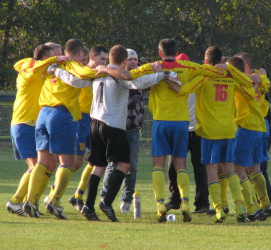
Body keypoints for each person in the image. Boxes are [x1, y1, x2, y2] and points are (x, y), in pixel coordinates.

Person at [48, 45, 179, 221]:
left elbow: (75, 81)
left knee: (98, 166)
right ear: (124, 61)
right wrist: (162, 75)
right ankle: (107, 202)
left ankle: (88, 205)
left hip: (95, 124)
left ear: (109, 59)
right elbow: (136, 82)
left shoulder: (97, 73)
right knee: (124, 165)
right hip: (113, 125)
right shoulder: (118, 75)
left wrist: (55, 70)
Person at [129, 38, 228, 223]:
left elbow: (129, 75)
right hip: (182, 123)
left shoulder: (154, 66)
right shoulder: (188, 67)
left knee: (158, 164)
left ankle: (160, 205)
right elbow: (214, 71)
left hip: (161, 121)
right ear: (176, 52)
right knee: (180, 165)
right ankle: (185, 203)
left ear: (160, 52)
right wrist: (224, 67)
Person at [166, 47, 254, 223]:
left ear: (206, 62)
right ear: (221, 60)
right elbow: (247, 83)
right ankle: (238, 206)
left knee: (211, 171)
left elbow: (182, 90)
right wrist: (229, 69)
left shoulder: (205, 78)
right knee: (230, 169)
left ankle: (219, 209)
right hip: (229, 130)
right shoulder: (231, 77)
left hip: (209, 132)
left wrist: (166, 78)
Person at [22, 38, 96, 219]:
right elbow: (86, 75)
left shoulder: (51, 65)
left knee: (42, 162)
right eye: (84, 58)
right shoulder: (72, 64)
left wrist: (54, 67)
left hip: (43, 115)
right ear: (79, 53)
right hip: (61, 114)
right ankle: (54, 202)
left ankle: (30, 201)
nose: (84, 62)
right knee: (67, 162)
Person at [6, 44, 65, 217]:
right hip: (24, 123)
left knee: (50, 163)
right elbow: (23, 65)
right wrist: (54, 61)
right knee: (35, 166)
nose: (61, 59)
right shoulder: (29, 69)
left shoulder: (43, 71)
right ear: (47, 57)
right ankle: (16, 201)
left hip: (35, 124)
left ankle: (32, 199)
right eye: (57, 56)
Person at [229, 54, 271, 221]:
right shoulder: (262, 79)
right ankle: (266, 205)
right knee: (255, 169)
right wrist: (260, 77)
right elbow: (266, 84)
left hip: (246, 127)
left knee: (238, 171)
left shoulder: (239, 82)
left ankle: (251, 209)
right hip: (259, 127)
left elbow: (246, 89)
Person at [100, 48, 146, 214]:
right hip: (117, 126)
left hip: (133, 128)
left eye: (136, 60)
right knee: (112, 164)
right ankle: (105, 196)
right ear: (124, 60)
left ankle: (126, 200)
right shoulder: (117, 75)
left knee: (132, 166)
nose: (133, 63)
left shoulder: (140, 76)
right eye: (130, 60)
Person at [65, 45, 109, 212]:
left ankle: (78, 195)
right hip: (81, 120)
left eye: (106, 60)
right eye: (102, 59)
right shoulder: (82, 71)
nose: (104, 63)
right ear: (92, 57)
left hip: (94, 119)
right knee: (75, 162)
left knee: (96, 161)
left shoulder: (101, 73)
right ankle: (54, 193)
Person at [166, 53, 210, 214]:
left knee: (200, 168)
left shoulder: (196, 80)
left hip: (197, 130)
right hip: (180, 128)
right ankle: (175, 200)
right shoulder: (174, 82)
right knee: (173, 167)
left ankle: (202, 204)